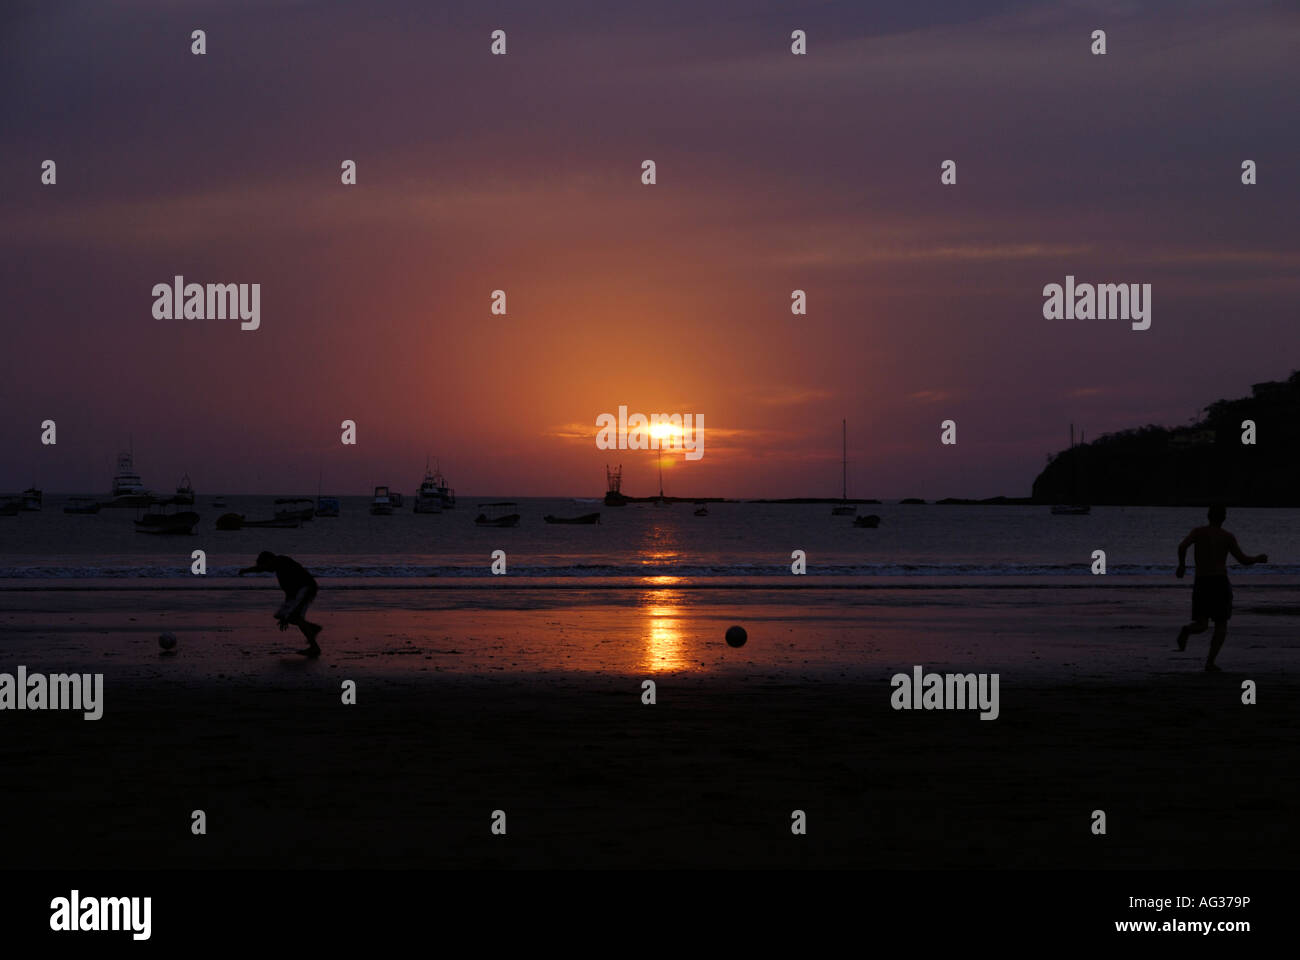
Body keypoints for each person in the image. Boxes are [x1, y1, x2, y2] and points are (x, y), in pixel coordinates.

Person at [1175, 505, 1267, 672]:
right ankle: (1210, 662)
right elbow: (1243, 560)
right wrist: (1258, 559)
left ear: (1208, 516)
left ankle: (1188, 630)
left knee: (1202, 624)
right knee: (1221, 624)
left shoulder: (1198, 532)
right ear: (1224, 518)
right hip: (1219, 582)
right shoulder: (1227, 537)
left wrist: (1182, 565)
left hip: (1202, 581)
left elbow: (1182, 547)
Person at [239, 551, 322, 656]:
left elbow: (261, 568)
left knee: (294, 616)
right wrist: (246, 570)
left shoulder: (283, 562)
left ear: (270, 560)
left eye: (266, 566)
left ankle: (314, 647)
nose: (268, 570)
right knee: (282, 615)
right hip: (296, 592)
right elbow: (289, 592)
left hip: (306, 588)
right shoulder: (278, 569)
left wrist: (291, 613)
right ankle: (312, 628)